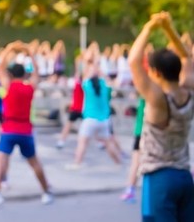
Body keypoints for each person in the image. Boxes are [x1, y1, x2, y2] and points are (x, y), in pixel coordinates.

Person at [128, 12, 194, 222]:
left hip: (159, 177)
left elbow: (133, 61)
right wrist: (168, 27)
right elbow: (187, 57)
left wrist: (150, 27)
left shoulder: (157, 100)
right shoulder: (189, 92)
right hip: (184, 176)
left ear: (156, 73)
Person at [0, 42, 53, 208]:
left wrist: (9, 49)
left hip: (9, 130)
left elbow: (0, 69)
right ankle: (46, 191)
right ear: (24, 74)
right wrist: (29, 53)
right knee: (34, 163)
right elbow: (37, 72)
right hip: (26, 130)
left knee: (1, 162)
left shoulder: (7, 88)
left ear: (11, 74)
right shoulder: (29, 88)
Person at [65, 44, 121, 169]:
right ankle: (118, 163)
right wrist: (98, 66)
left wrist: (90, 61)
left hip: (90, 118)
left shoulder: (87, 85)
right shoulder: (105, 86)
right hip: (104, 119)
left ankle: (77, 163)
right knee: (108, 143)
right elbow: (108, 80)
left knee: (82, 142)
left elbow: (84, 73)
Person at [120, 97, 145, 203]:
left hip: (143, 132)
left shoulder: (148, 92)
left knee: (136, 163)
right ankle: (130, 190)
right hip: (144, 132)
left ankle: (130, 190)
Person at [56, 73, 83, 148]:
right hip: (78, 109)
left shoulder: (79, 85)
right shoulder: (81, 85)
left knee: (68, 125)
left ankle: (61, 141)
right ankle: (61, 141)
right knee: (68, 125)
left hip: (78, 109)